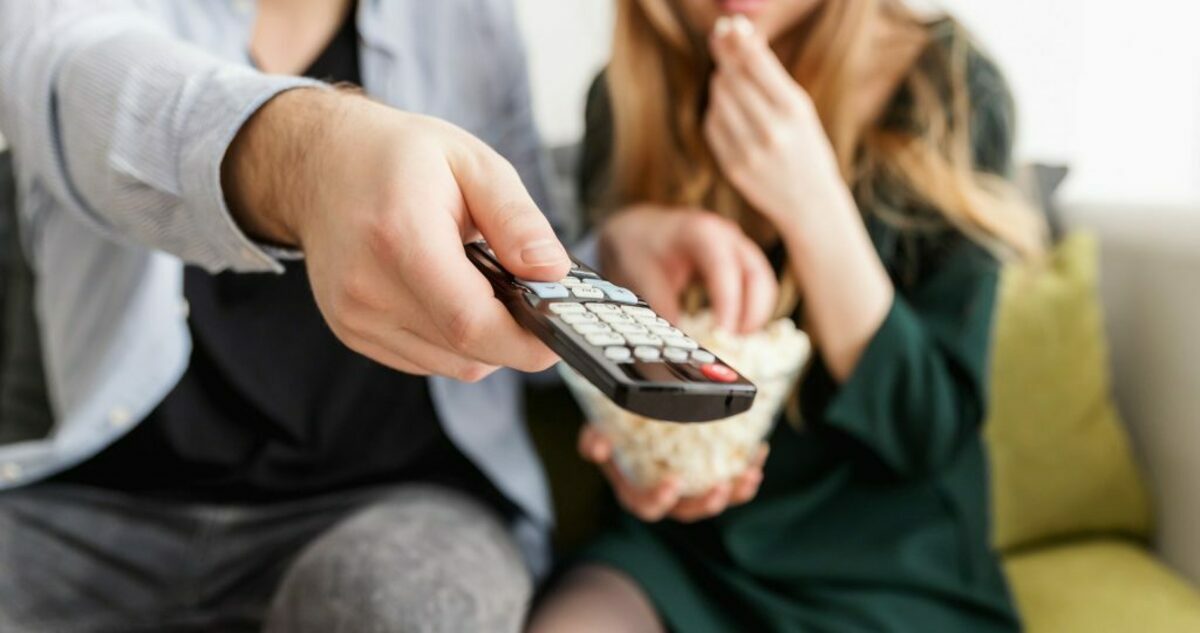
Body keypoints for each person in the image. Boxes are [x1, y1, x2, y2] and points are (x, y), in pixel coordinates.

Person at [0, 1, 579, 630]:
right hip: (100, 507)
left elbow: (536, 247)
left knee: (407, 611)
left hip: (399, 505)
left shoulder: (468, 17)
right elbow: (81, 78)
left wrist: (629, 244)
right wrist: (311, 160)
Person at [530, 0, 1044, 631]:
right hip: (682, 554)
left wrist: (814, 205)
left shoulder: (948, 84)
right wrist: (616, 244)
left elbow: (927, 432)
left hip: (889, 564)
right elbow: (625, 384)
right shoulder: (624, 98)